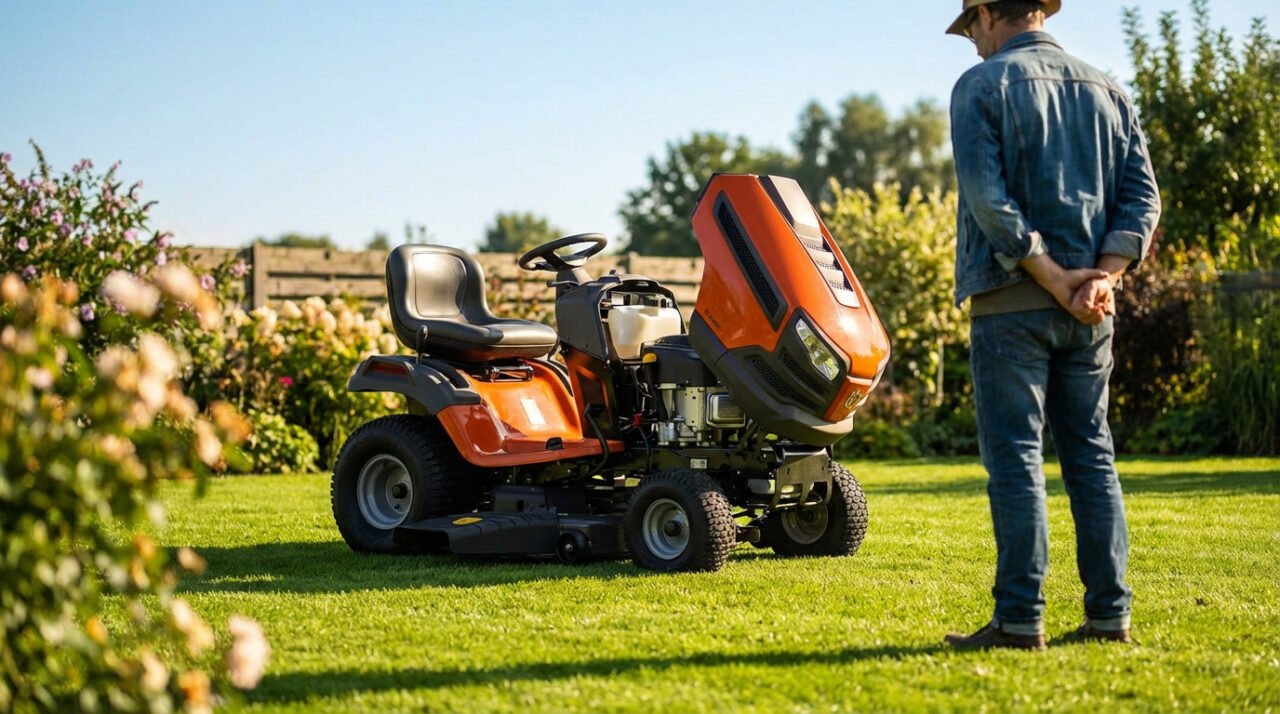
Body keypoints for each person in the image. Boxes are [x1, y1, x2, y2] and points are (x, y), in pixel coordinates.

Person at [942, 0, 1162, 650]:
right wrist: (1102, 277)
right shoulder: (1110, 89)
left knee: (1016, 460)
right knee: (1092, 457)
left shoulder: (981, 86)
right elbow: (1141, 195)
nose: (972, 44)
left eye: (970, 30)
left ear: (985, 13)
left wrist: (1049, 273)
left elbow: (989, 198)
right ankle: (1109, 617)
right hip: (1091, 307)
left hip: (1013, 303)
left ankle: (1017, 621)